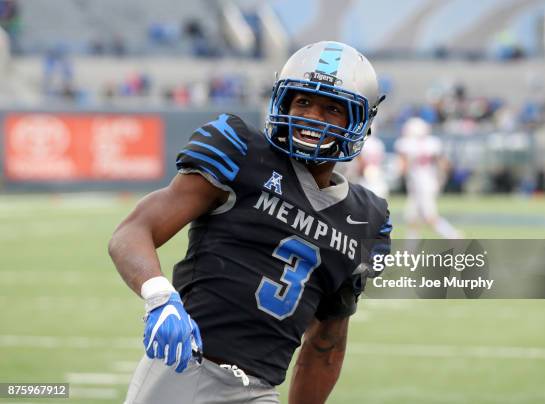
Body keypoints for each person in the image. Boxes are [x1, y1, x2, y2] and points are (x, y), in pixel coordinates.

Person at [108, 41, 391, 404]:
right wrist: (159, 297)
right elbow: (133, 231)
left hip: (259, 391)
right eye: (303, 101)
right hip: (186, 371)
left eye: (332, 108)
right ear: (283, 101)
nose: (311, 116)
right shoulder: (241, 152)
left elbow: (326, 345)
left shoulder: (365, 219)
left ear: (358, 120)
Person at [394, 117, 461, 239]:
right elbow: (444, 164)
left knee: (429, 218)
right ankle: (410, 250)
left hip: (422, 186)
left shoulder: (408, 144)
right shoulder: (431, 143)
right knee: (412, 217)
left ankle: (454, 236)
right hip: (426, 184)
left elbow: (402, 168)